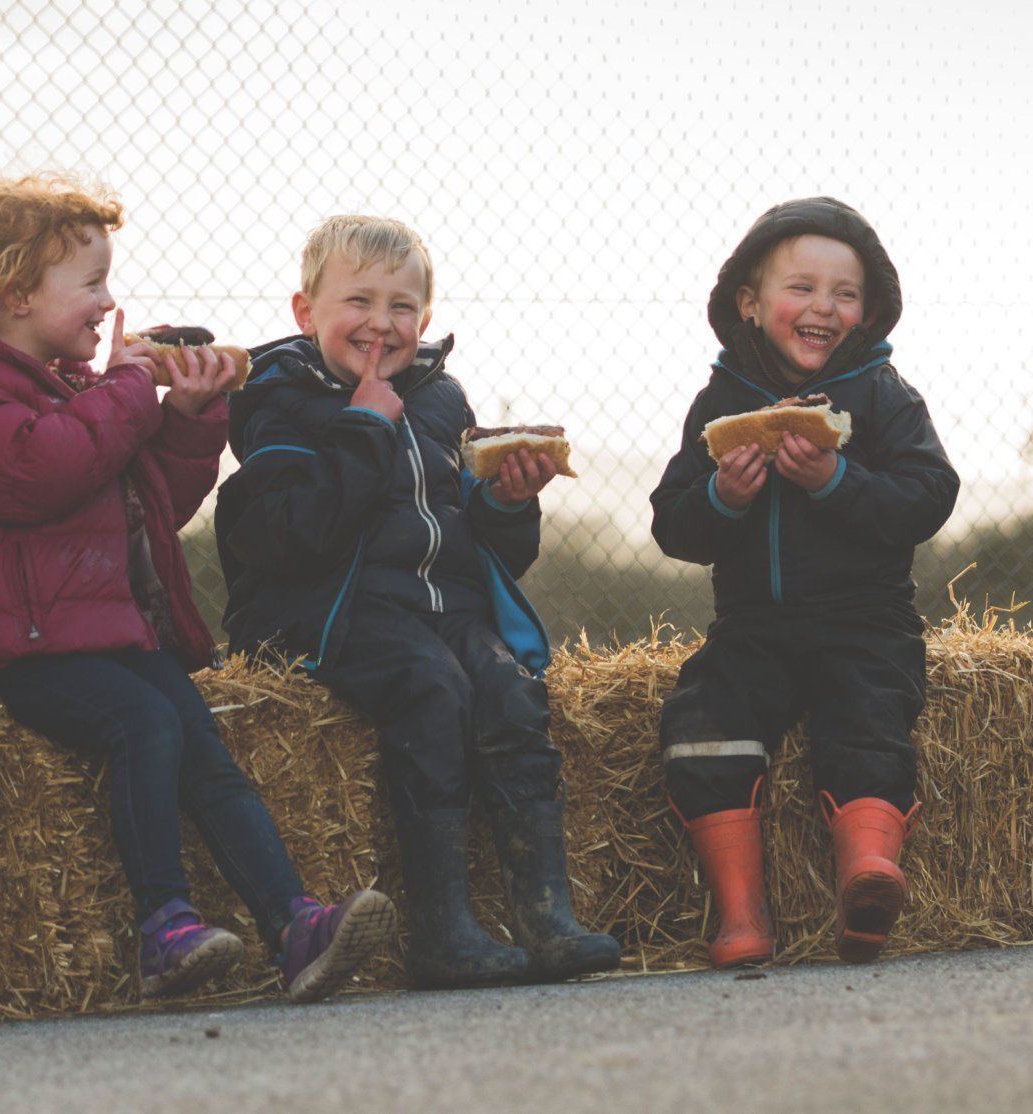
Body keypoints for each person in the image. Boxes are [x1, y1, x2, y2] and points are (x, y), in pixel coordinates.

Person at [0, 175, 392, 1004]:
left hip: (98, 635)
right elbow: (43, 472)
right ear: (15, 294)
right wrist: (124, 387)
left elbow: (154, 508)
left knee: (199, 742)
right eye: (93, 284)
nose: (110, 305)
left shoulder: (67, 391)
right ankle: (163, 928)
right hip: (17, 646)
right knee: (143, 722)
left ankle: (294, 924)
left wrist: (185, 416)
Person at [216, 215, 619, 986]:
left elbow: (496, 551)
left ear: (424, 321)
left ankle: (545, 915)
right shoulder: (278, 399)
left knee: (508, 689)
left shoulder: (441, 399)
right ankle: (443, 932)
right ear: (306, 314)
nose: (380, 323)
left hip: (445, 608)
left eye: (401, 307)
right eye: (357, 301)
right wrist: (364, 424)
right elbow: (297, 535)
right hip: (337, 609)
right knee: (431, 690)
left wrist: (507, 501)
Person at [649, 197, 959, 965]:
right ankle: (742, 915)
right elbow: (672, 524)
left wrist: (834, 480)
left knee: (866, 721)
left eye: (844, 294)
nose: (823, 306)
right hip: (753, 627)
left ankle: (868, 874)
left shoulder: (885, 395)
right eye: (802, 288)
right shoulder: (720, 403)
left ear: (868, 312)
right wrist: (725, 497)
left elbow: (928, 496)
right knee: (702, 722)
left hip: (866, 622)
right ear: (750, 305)